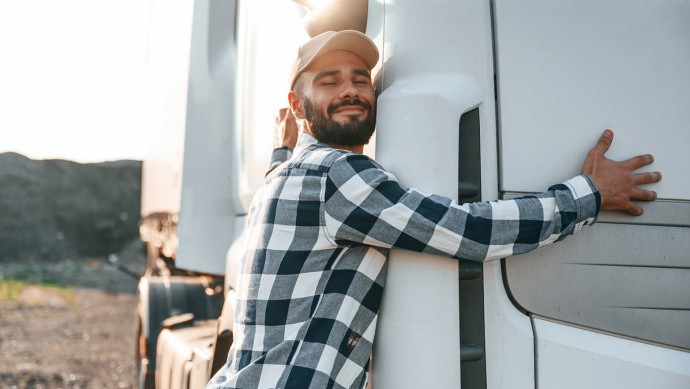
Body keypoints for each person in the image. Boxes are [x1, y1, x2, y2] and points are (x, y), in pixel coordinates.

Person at [207, 30, 661, 389]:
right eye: (329, 82)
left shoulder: (285, 177)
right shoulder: (336, 176)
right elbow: (468, 232)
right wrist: (589, 193)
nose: (350, 90)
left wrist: (280, 151)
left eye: (360, 79)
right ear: (297, 105)